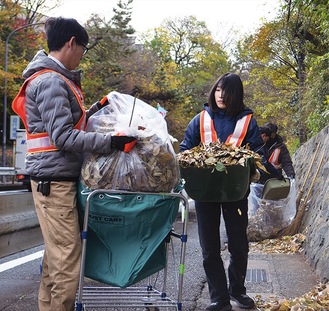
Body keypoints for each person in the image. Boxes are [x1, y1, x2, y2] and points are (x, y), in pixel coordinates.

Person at [11, 17, 136, 311]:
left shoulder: (53, 79)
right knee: (67, 256)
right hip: (53, 182)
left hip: (51, 179)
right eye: (83, 48)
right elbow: (64, 137)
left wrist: (98, 109)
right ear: (71, 43)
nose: (82, 54)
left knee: (57, 257)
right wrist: (112, 143)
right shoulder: (51, 80)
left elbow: (65, 126)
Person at [180, 73, 270, 311]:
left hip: (235, 191)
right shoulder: (199, 119)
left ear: (236, 94)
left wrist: (255, 169)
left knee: (238, 244)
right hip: (205, 192)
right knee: (209, 247)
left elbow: (258, 153)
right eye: (218, 89)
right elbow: (184, 149)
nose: (220, 95)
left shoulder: (247, 121)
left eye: (226, 91)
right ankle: (219, 298)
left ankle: (238, 292)